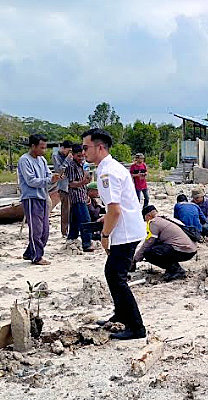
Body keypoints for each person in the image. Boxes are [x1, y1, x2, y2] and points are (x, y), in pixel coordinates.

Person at [82, 128, 146, 340]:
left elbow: (115, 209)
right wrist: (106, 220)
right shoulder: (109, 167)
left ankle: (136, 327)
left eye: (86, 147)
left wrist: (105, 234)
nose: (83, 152)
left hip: (125, 232)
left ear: (100, 147)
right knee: (113, 273)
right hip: (128, 227)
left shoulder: (107, 171)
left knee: (116, 276)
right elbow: (117, 207)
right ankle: (121, 315)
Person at [18, 134, 61, 266]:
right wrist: (49, 180)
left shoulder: (41, 160)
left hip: (43, 196)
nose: (44, 151)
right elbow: (30, 181)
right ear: (33, 146)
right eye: (42, 148)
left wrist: (52, 178)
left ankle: (29, 252)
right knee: (36, 229)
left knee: (45, 230)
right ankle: (36, 257)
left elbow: (48, 174)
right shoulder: (24, 160)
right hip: (31, 198)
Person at [134, 205, 197, 281]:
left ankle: (176, 270)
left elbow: (149, 242)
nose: (146, 222)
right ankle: (172, 268)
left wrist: (136, 259)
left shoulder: (154, 222)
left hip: (183, 250)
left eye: (145, 219)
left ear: (148, 216)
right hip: (190, 248)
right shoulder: (167, 218)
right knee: (157, 248)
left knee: (149, 252)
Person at [65, 144, 94, 252]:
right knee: (85, 219)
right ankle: (87, 243)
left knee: (75, 220)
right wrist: (83, 182)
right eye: (79, 156)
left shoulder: (82, 165)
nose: (81, 158)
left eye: (82, 156)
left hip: (82, 194)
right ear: (73, 155)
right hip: (76, 196)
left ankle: (71, 238)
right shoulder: (71, 166)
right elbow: (71, 184)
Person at [53, 140, 73, 237]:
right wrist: (67, 160)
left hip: (72, 185)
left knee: (74, 210)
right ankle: (64, 232)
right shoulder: (56, 156)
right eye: (68, 151)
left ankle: (73, 230)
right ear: (63, 148)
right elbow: (59, 171)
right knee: (65, 210)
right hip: (63, 187)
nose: (69, 153)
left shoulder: (70, 156)